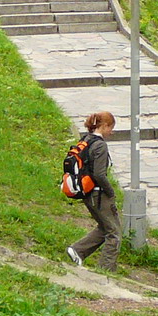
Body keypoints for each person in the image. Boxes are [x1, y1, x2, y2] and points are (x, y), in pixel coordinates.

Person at [66, 111, 121, 272]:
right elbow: (99, 174)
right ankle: (106, 270)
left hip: (86, 192)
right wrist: (111, 192)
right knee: (114, 233)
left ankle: (78, 250)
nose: (111, 132)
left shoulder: (85, 140)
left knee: (104, 228)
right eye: (110, 128)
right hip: (99, 195)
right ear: (104, 126)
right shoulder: (100, 145)